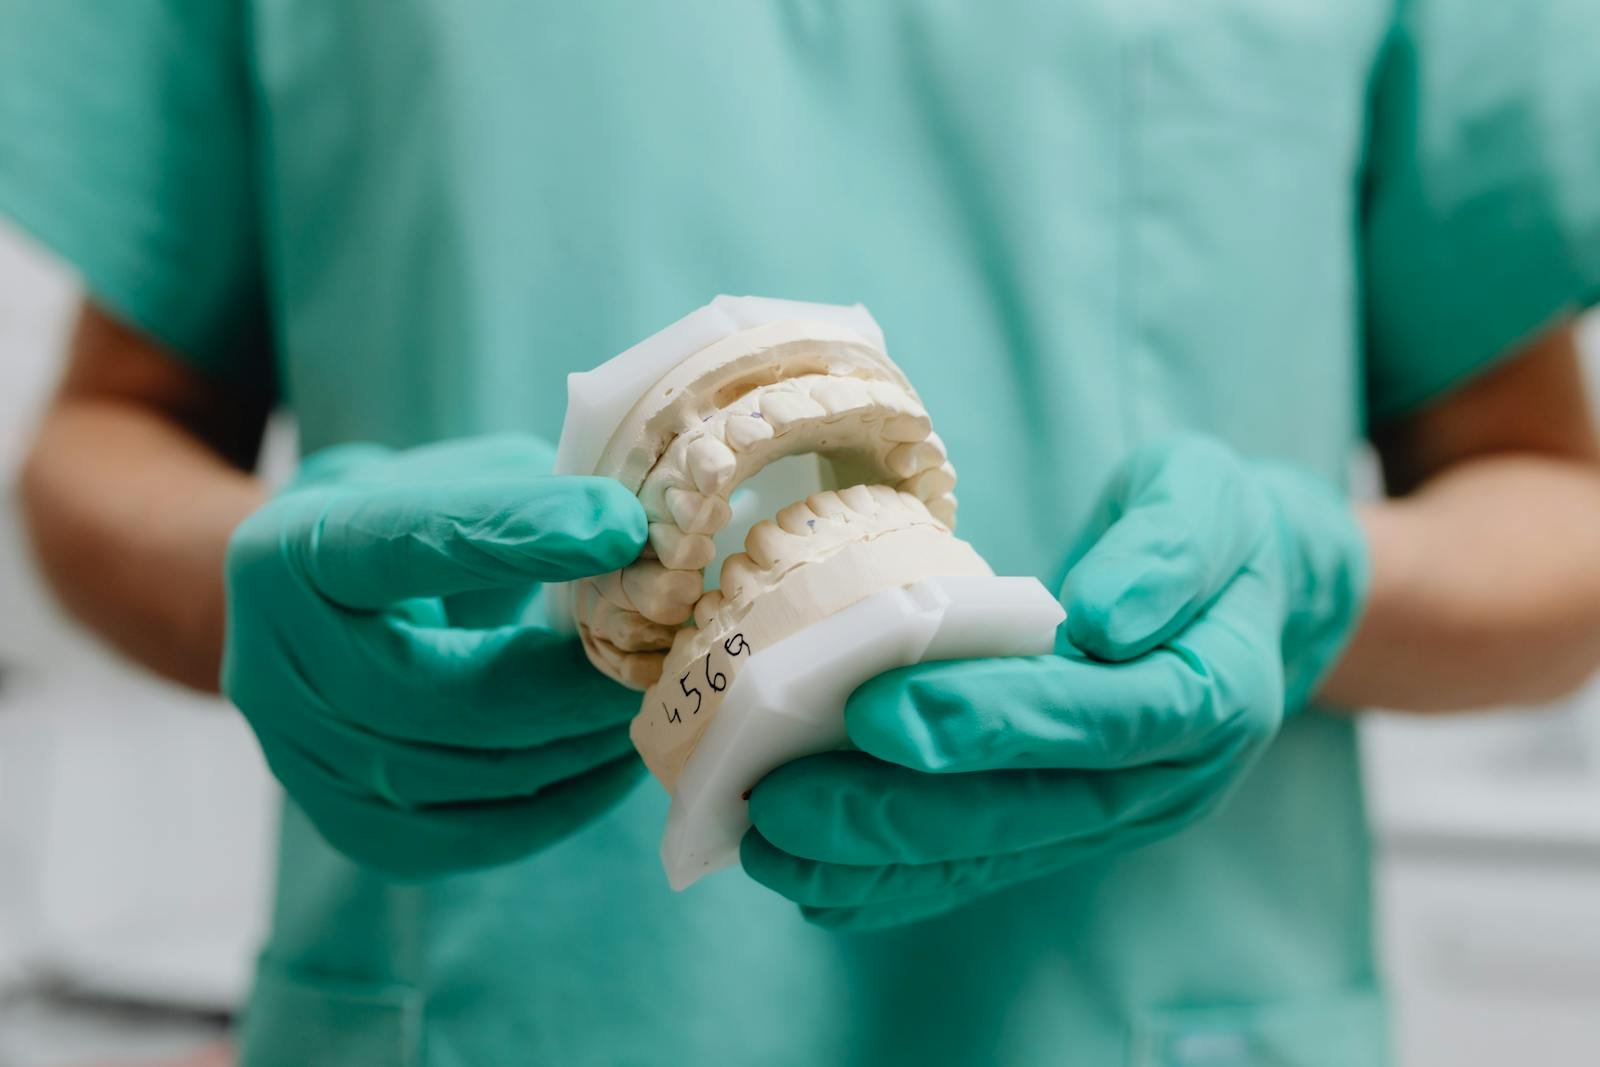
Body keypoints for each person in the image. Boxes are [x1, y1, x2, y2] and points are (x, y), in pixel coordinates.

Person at [5, 2, 1600, 1064]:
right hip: (494, 1008)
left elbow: (1554, 499)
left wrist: (1313, 585)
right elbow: (104, 435)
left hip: (1147, 1003)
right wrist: (258, 586)